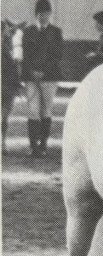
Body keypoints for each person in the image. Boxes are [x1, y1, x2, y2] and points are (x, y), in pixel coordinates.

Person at [22, 0, 63, 157]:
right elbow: (26, 55)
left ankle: (43, 144)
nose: (43, 17)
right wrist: (33, 72)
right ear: (36, 15)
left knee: (46, 109)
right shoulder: (28, 31)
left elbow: (57, 56)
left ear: (50, 14)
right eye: (40, 14)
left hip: (49, 77)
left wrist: (43, 72)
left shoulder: (56, 32)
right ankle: (33, 146)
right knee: (33, 110)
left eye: (46, 14)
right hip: (31, 77)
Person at [1, 20, 22, 153]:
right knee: (4, 117)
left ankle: (3, 143)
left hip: (7, 85)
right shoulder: (8, 45)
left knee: (4, 117)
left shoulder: (11, 44)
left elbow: (15, 66)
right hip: (7, 85)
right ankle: (2, 144)